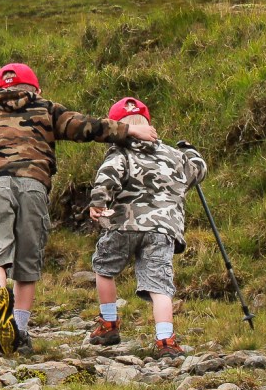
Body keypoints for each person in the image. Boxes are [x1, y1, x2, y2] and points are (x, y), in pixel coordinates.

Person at [0, 65, 157, 357]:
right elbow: (87, 127)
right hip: (34, 185)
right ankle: (21, 331)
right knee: (27, 263)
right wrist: (131, 130)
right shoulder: (47, 109)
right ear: (36, 89)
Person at [87, 97, 207, 359]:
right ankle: (166, 340)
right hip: (163, 230)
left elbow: (106, 178)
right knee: (159, 284)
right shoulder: (174, 156)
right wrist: (192, 152)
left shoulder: (119, 154)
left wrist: (98, 202)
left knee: (104, 268)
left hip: (124, 225)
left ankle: (108, 324)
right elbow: (198, 171)